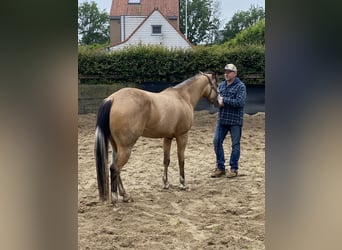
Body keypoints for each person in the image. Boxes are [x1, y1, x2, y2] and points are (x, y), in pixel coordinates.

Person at [211, 63, 247, 178]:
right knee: (216, 142)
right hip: (222, 120)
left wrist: (224, 100)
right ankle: (220, 167)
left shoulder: (241, 86)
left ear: (235, 74)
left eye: (229, 72)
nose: (226, 74)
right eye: (225, 72)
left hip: (235, 120)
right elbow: (217, 101)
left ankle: (234, 168)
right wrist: (217, 103)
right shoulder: (221, 86)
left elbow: (240, 103)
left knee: (235, 145)